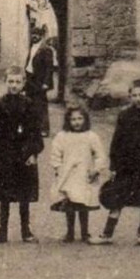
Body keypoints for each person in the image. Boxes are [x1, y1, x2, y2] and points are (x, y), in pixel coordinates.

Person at [94, 79, 140, 246]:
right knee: (117, 199)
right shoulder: (124, 116)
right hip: (127, 165)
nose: (138, 98)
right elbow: (116, 142)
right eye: (134, 95)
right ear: (129, 97)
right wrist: (114, 166)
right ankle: (107, 233)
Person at [0, 66, 43, 244]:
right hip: (5, 155)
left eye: (18, 82)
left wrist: (33, 153)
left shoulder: (30, 105)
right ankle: (2, 231)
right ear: (5, 82)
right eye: (11, 81)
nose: (14, 85)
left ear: (24, 83)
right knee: (5, 195)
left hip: (24, 155)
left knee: (24, 195)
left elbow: (35, 132)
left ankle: (26, 230)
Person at [50, 104, 107, 244]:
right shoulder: (62, 136)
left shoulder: (91, 136)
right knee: (69, 203)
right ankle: (70, 232)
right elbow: (55, 153)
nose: (77, 122)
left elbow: (100, 155)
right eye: (73, 119)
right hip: (67, 175)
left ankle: (84, 232)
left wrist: (96, 169)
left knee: (83, 203)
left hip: (84, 174)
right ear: (68, 121)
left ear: (85, 119)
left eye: (80, 118)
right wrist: (57, 168)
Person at [24, 27, 54, 137]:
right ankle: (32, 128)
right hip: (30, 79)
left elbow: (49, 68)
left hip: (39, 81)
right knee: (29, 103)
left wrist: (46, 82)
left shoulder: (46, 49)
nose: (34, 36)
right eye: (32, 34)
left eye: (36, 34)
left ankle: (44, 129)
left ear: (41, 36)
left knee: (41, 105)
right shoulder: (32, 47)